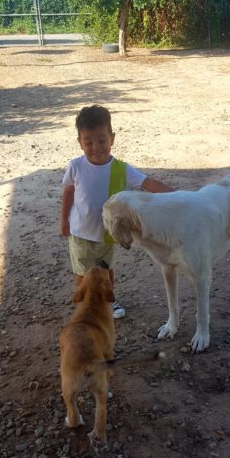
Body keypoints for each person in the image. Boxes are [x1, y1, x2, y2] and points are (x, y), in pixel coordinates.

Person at [60, 104, 174, 319]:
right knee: (83, 274)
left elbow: (147, 183)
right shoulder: (76, 166)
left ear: (112, 139)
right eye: (88, 142)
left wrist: (177, 195)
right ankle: (86, 305)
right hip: (80, 234)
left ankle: (108, 303)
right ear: (80, 143)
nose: (96, 147)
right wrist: (64, 220)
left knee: (107, 270)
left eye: (102, 140)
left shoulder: (122, 169)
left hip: (108, 234)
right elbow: (68, 192)